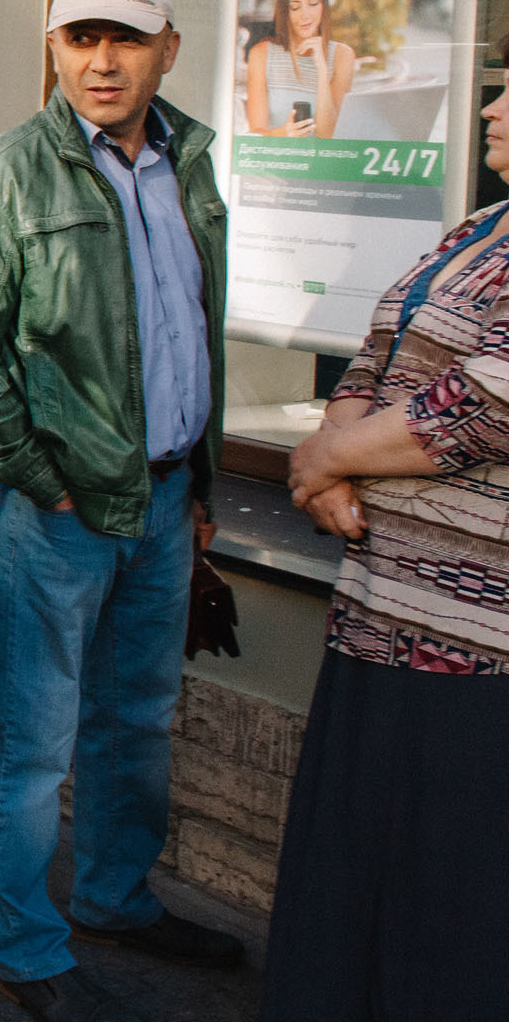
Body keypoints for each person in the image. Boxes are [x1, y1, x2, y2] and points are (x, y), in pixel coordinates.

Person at [0, 0, 242, 1022]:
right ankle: (26, 942)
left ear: (168, 51)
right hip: (58, 512)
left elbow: (193, 333)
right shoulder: (3, 176)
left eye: (127, 39)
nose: (102, 62)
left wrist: (198, 481)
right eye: (80, 38)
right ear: (54, 47)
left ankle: (114, 895)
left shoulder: (190, 165)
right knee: (33, 737)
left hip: (162, 503)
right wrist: (40, 475)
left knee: (138, 720)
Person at [257, 63, 509, 1020]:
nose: (490, 106)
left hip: (479, 648)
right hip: (377, 617)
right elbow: (379, 348)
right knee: (357, 867)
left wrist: (322, 462)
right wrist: (335, 449)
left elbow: (478, 408)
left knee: (448, 903)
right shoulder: (481, 229)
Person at [245, 0, 355, 139]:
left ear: (323, 5)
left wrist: (321, 69)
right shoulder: (261, 55)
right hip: (278, 161)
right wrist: (285, 133)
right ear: (286, 10)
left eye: (313, 3)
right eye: (295, 7)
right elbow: (256, 137)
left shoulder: (342, 56)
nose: (305, 15)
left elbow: (329, 135)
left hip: (321, 163)